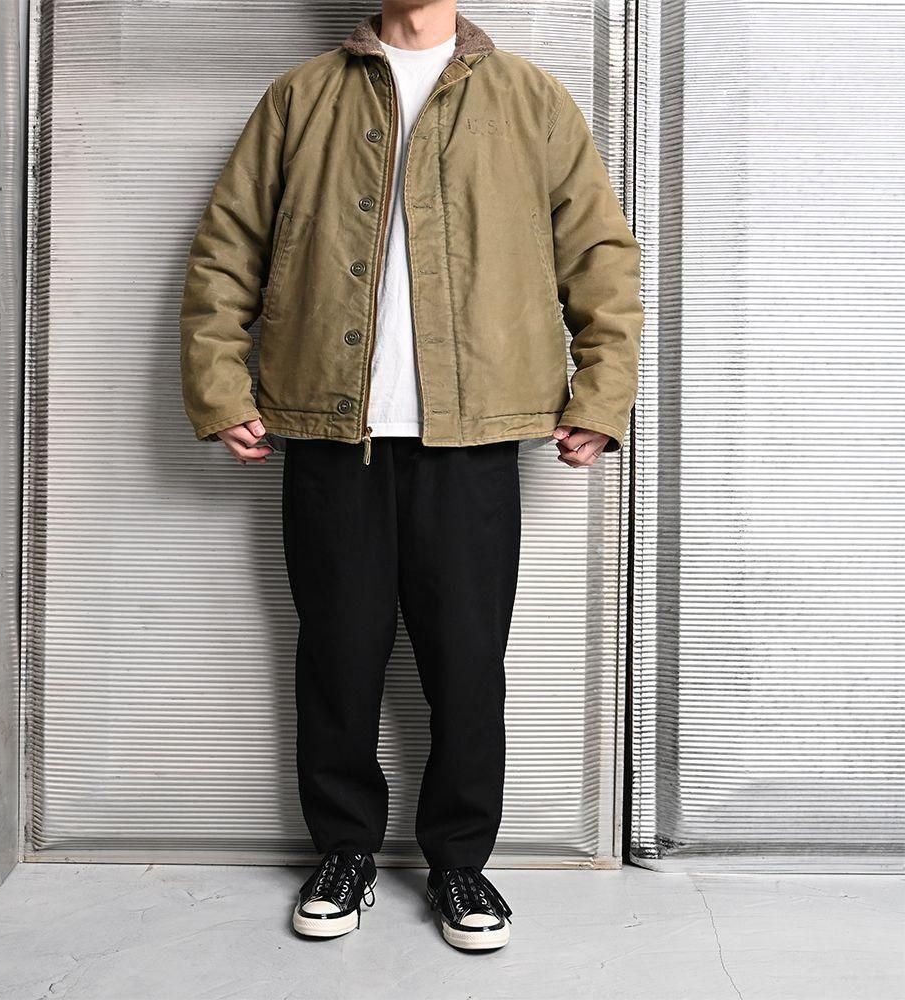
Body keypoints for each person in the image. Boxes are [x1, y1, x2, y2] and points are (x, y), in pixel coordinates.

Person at [179, 0, 643, 952]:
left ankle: (461, 862)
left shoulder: (530, 99)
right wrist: (220, 386)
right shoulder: (301, 97)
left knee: (467, 663)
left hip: (474, 435)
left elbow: (600, 254)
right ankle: (344, 851)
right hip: (327, 426)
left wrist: (602, 396)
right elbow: (227, 248)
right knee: (337, 657)